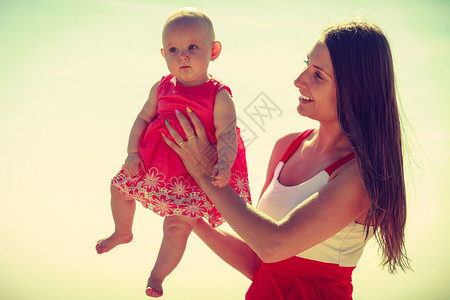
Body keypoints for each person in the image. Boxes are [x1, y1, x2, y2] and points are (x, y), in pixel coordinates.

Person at [162, 21, 411, 299]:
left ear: (356, 91)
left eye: (318, 75)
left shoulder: (362, 175)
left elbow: (273, 245)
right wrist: (189, 215)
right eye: (307, 64)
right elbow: (260, 260)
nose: (299, 80)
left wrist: (204, 174)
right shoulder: (286, 147)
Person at [95, 7, 251, 298]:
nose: (183, 55)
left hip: (192, 175)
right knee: (119, 187)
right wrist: (131, 153)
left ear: (213, 51)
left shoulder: (218, 95)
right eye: (174, 49)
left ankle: (157, 276)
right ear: (163, 54)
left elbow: (229, 134)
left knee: (177, 226)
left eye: (193, 47)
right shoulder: (161, 87)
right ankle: (122, 231)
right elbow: (142, 118)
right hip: (154, 165)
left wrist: (225, 164)